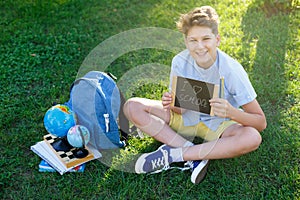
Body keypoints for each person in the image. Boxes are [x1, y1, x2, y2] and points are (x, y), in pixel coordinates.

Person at [123, 6, 267, 184]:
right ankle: (192, 152)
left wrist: (232, 112)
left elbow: (260, 122)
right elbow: (180, 110)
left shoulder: (231, 70)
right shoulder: (179, 62)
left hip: (219, 125)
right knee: (132, 106)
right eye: (193, 40)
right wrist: (171, 102)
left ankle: (175, 154)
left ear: (217, 39)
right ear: (186, 41)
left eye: (206, 38)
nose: (200, 46)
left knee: (252, 137)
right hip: (185, 119)